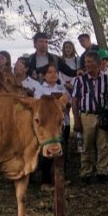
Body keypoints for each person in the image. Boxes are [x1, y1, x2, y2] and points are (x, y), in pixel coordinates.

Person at [72, 50, 108, 184]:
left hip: (102, 116)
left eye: (90, 62)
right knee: (86, 145)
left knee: (103, 146)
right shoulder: (80, 80)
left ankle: (102, 171)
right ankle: (86, 172)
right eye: (86, 62)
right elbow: (75, 101)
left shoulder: (107, 79)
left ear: (98, 63)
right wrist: (77, 119)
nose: (87, 64)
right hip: (86, 116)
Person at [34, 64, 72, 192]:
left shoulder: (62, 88)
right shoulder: (40, 90)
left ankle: (60, 179)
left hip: (62, 124)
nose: (53, 74)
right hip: (47, 128)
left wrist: (65, 105)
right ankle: (45, 181)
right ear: (44, 75)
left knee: (62, 152)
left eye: (55, 72)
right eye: (50, 72)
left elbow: (68, 102)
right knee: (47, 154)